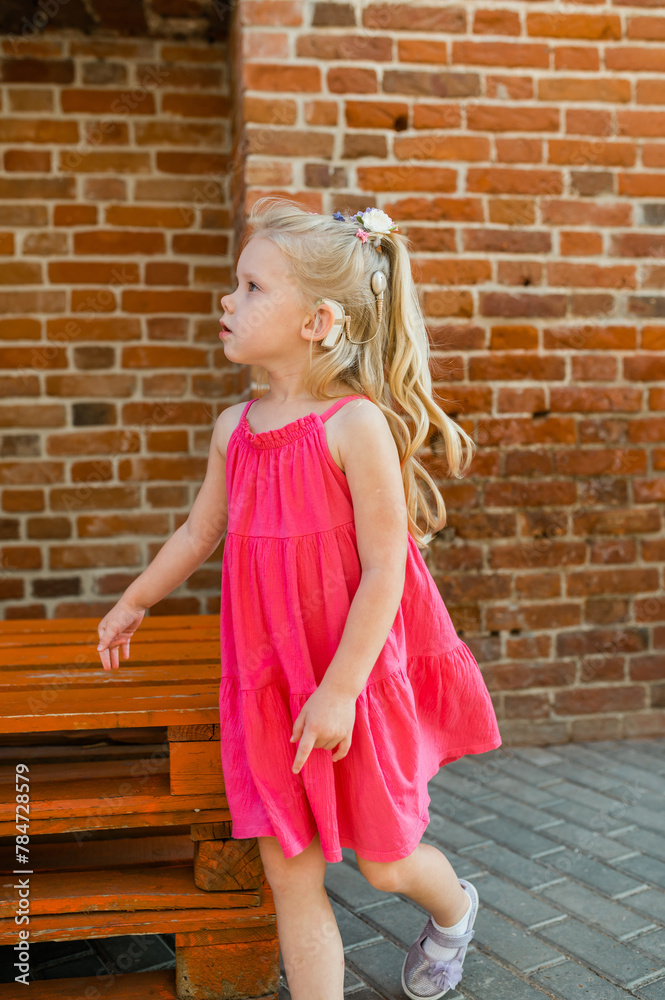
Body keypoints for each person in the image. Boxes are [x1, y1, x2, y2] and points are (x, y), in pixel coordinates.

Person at [95, 197, 502, 1000]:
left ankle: (454, 913)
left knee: (385, 863)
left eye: (252, 288)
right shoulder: (234, 428)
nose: (228, 299)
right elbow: (199, 531)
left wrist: (341, 691)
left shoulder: (353, 427)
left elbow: (385, 569)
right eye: (236, 284)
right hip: (270, 685)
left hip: (349, 679)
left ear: (316, 322)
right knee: (290, 873)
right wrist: (135, 599)